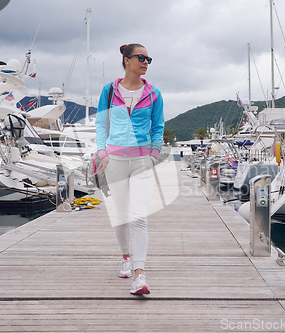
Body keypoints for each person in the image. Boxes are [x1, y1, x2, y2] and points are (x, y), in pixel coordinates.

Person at [95, 43, 164, 295]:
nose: (146, 62)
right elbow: (101, 123)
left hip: (141, 160)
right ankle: (125, 257)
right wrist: (102, 153)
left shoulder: (154, 93)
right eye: (141, 57)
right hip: (114, 160)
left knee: (139, 217)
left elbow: (158, 127)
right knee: (121, 215)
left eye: (149, 58)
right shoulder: (109, 90)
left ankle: (139, 273)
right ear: (127, 60)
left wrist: (153, 156)